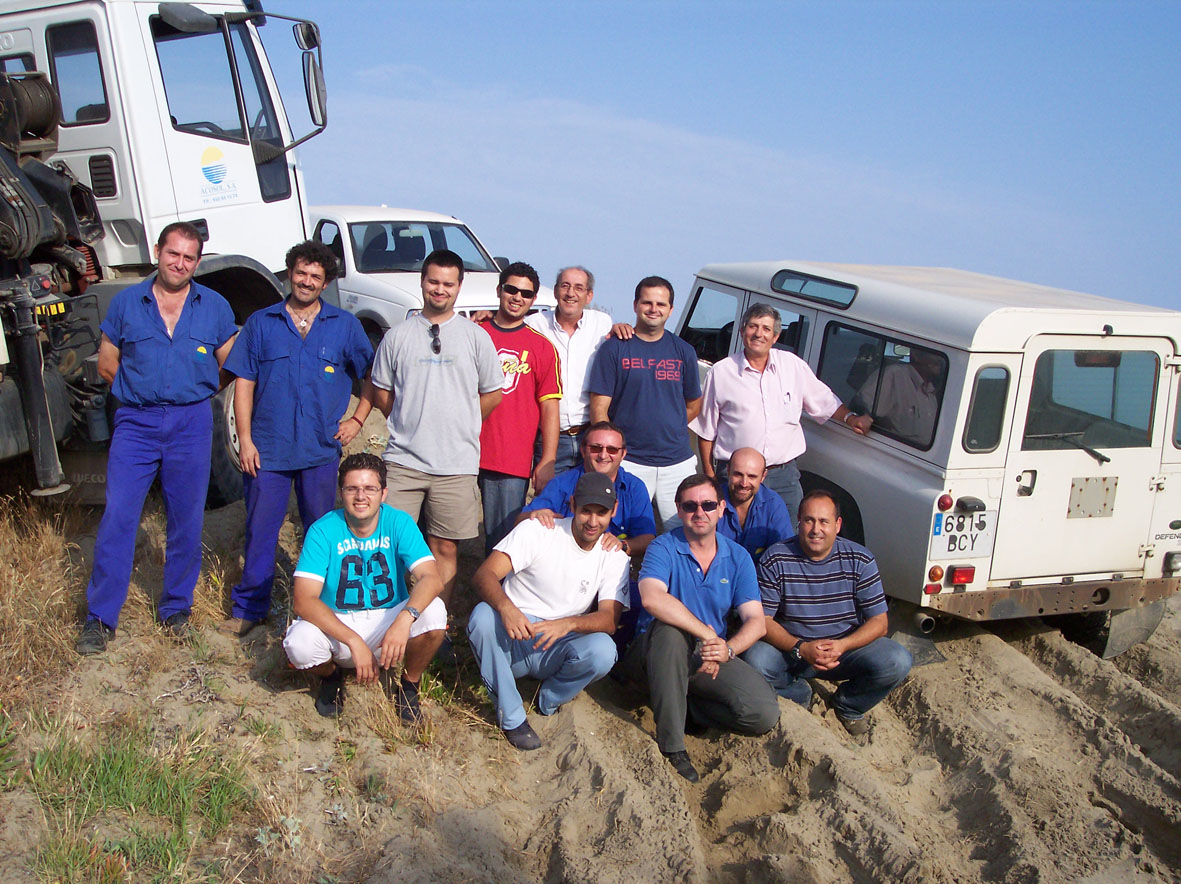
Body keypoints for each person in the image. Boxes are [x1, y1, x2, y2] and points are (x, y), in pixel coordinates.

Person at [76, 222, 238, 654]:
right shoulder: (128, 303)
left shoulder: (214, 306)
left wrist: (197, 390)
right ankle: (99, 617)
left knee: (186, 519)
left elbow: (231, 363)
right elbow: (108, 364)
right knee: (119, 518)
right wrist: (141, 395)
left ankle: (176, 609)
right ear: (157, 252)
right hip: (137, 424)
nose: (179, 263)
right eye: (173, 254)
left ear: (197, 262)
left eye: (188, 257)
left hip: (191, 424)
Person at [222, 241, 373, 636]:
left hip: (320, 449)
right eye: (301, 273)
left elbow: (372, 376)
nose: (307, 282)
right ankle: (250, 609)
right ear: (290, 273)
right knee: (260, 530)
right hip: (267, 449)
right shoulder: (261, 323)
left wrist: (357, 420)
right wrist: (245, 439)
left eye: (316, 277)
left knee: (321, 533)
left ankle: (323, 609)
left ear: (325, 283)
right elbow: (244, 382)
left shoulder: (344, 326)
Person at [355, 248, 504, 608]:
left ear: (459, 287)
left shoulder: (476, 336)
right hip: (404, 461)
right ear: (422, 282)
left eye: (448, 284)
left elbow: (493, 394)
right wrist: (408, 420)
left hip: (456, 464)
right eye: (433, 281)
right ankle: (386, 616)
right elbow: (382, 392)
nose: (440, 290)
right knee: (388, 544)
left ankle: (434, 624)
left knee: (444, 547)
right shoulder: (398, 336)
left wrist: (460, 420)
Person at [623, 475, 779, 782]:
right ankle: (672, 746)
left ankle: (686, 707)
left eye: (708, 504)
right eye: (690, 505)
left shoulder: (738, 557)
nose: (700, 512)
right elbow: (653, 598)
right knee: (670, 631)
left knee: (762, 713)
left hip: (706, 656)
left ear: (721, 508)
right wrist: (708, 634)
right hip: (652, 653)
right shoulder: (663, 547)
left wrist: (727, 649)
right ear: (679, 511)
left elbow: (756, 621)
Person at [468, 471, 630, 750]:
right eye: (586, 511)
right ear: (572, 504)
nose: (592, 521)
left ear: (613, 511)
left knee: (604, 650)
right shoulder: (539, 530)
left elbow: (609, 620)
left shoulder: (613, 555)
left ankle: (549, 699)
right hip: (514, 635)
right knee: (482, 617)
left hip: (558, 643)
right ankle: (512, 717)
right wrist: (506, 608)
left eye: (601, 513)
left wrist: (567, 624)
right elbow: (485, 574)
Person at [282, 453, 447, 722]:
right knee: (298, 644)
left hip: (388, 621)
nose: (361, 496)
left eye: (370, 488)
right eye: (352, 489)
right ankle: (331, 676)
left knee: (435, 611)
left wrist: (404, 620)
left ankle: (408, 686)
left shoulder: (399, 522)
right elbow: (303, 600)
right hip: (339, 624)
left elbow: (432, 578)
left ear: (383, 494)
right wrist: (354, 641)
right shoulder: (322, 530)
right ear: (341, 493)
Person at [743, 489, 913, 736]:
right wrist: (800, 647)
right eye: (809, 520)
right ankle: (798, 694)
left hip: (844, 651)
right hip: (793, 651)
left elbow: (880, 622)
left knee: (898, 660)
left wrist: (842, 646)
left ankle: (849, 705)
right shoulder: (776, 558)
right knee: (756, 661)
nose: (816, 529)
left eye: (824, 521)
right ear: (798, 521)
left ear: (838, 524)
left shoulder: (860, 560)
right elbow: (764, 620)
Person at [690, 302, 872, 531]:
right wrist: (710, 479)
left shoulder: (792, 366)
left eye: (766, 329)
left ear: (775, 336)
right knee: (732, 540)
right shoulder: (722, 372)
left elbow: (823, 400)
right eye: (753, 327)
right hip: (736, 479)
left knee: (788, 540)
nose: (759, 334)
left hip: (784, 477)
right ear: (742, 331)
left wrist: (850, 418)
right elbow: (706, 432)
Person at [589, 277, 702, 528]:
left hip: (677, 462)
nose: (654, 309)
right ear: (635, 305)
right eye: (647, 302)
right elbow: (599, 409)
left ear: (671, 309)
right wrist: (612, 452)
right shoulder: (614, 348)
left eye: (661, 304)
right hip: (630, 461)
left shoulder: (683, 351)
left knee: (685, 535)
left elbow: (695, 404)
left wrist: (670, 427)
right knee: (619, 533)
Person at [478, 262, 561, 553]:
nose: (517, 297)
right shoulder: (475, 332)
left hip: (509, 457)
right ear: (499, 290)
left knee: (501, 540)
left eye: (526, 294)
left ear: (533, 300)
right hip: (460, 449)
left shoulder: (541, 347)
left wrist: (547, 459)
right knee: (441, 535)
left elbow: (550, 407)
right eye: (511, 289)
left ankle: (491, 597)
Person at [518, 421, 656, 563]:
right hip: (564, 561)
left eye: (612, 450)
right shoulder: (561, 483)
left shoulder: (635, 487)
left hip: (611, 564)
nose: (603, 455)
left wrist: (622, 545)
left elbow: (647, 538)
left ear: (623, 454)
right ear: (583, 451)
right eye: (596, 448)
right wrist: (534, 516)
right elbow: (521, 520)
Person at [524, 266, 614, 474]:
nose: (570, 293)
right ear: (555, 291)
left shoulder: (602, 323)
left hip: (590, 435)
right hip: (549, 439)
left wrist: (624, 328)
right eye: (565, 286)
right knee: (550, 502)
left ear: (589, 296)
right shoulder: (534, 324)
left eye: (578, 288)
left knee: (589, 504)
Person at [716, 447, 793, 562]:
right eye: (738, 474)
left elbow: (784, 556)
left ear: (763, 476)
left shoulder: (773, 505)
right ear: (728, 471)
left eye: (752, 476)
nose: (744, 483)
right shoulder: (711, 502)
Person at [858, 347, 943, 445]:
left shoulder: (932, 388)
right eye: (935, 354)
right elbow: (864, 413)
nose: (939, 360)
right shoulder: (894, 376)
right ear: (916, 355)